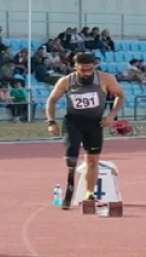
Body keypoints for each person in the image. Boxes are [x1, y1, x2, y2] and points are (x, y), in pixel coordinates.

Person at [45, 52, 126, 210]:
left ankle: (89, 193)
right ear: (75, 67)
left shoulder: (105, 78)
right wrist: (51, 122)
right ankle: (70, 187)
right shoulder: (66, 81)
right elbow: (52, 99)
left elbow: (121, 96)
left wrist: (111, 116)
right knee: (72, 157)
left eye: (89, 69)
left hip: (95, 123)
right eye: (82, 70)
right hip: (73, 122)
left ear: (94, 67)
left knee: (92, 160)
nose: (86, 73)